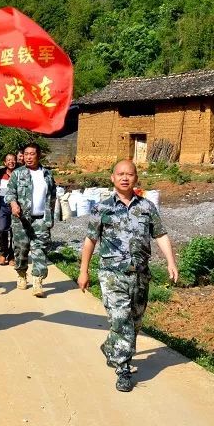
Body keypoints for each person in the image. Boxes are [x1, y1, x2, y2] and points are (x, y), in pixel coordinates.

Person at [77, 159, 178, 393]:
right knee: (121, 318)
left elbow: (160, 234)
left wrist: (171, 262)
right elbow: (90, 240)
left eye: (129, 174)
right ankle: (123, 369)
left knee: (135, 320)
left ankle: (111, 346)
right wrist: (83, 271)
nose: (125, 178)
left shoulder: (146, 207)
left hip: (141, 274)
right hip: (112, 275)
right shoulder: (102, 208)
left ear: (136, 178)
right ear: (112, 178)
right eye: (120, 174)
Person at [5, 143, 57, 297]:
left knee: (40, 250)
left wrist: (51, 216)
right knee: (21, 250)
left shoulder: (47, 174)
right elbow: (10, 193)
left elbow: (53, 196)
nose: (28, 157)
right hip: (21, 219)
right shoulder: (18, 173)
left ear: (38, 155)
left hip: (41, 219)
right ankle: (21, 273)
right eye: (26, 153)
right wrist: (14, 205)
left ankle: (38, 282)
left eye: (31, 154)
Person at [0, 152, 17, 265]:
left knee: (14, 231)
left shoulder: (19, 173)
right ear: (5, 162)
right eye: (8, 160)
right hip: (2, 206)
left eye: (13, 159)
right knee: (2, 229)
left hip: (16, 207)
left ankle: (12, 255)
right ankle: (3, 252)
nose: (11, 162)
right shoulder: (0, 173)